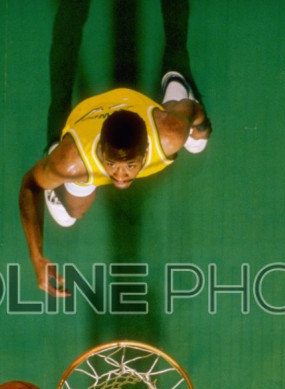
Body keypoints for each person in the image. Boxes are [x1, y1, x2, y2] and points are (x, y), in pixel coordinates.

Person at [19, 72, 211, 296]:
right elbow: (30, 184)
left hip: (138, 107)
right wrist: (37, 258)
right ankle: (57, 168)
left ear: (145, 151)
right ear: (102, 150)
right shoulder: (73, 161)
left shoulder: (170, 135)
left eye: (130, 165)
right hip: (85, 122)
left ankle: (175, 87)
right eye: (111, 163)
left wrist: (201, 129)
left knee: (185, 128)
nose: (120, 175)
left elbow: (193, 109)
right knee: (71, 214)